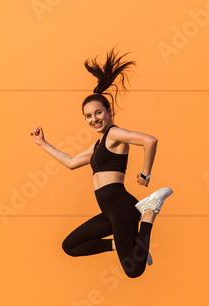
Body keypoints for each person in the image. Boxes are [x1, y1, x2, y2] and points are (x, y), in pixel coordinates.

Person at [30, 49, 173, 278]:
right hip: (109, 211)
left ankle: (149, 212)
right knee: (71, 246)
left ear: (109, 112)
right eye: (88, 116)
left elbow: (150, 140)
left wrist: (145, 174)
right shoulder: (98, 146)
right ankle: (124, 245)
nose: (94, 119)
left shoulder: (115, 134)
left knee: (133, 271)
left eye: (98, 113)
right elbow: (72, 162)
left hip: (122, 207)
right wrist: (42, 143)